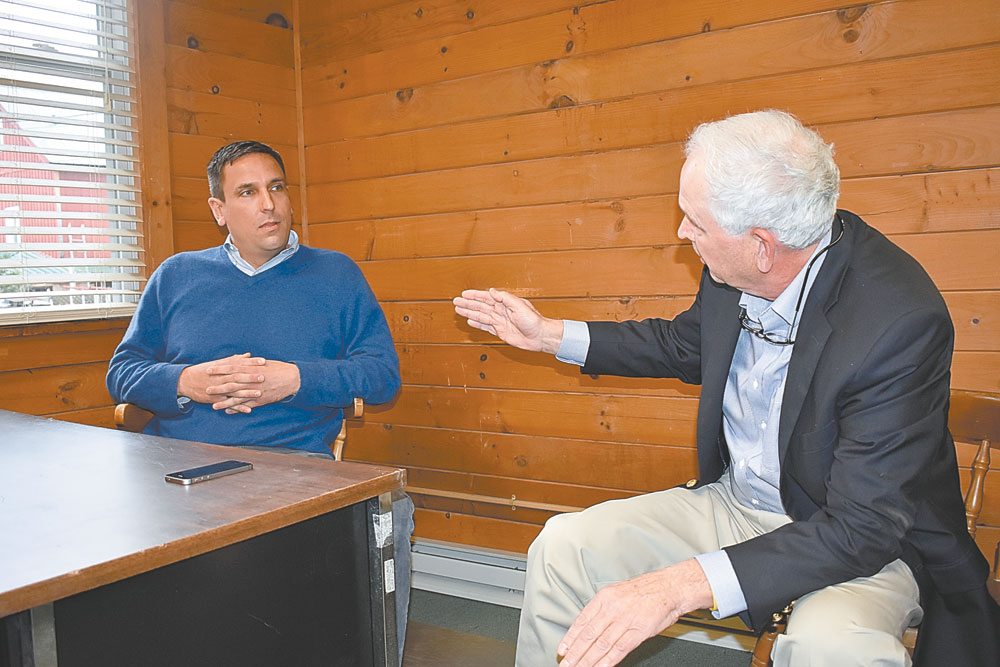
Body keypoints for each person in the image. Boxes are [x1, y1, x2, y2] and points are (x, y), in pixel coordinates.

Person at [453, 110, 998, 667]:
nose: (682, 233)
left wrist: (680, 585)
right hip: (736, 504)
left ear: (762, 245)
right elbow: (681, 345)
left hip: (859, 538)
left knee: (832, 648)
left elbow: (863, 529)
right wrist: (547, 336)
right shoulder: (733, 270)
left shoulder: (898, 322)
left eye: (695, 221)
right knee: (563, 547)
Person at [107, 140, 413, 662]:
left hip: (288, 466)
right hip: (175, 466)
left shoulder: (335, 275)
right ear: (219, 210)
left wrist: (295, 379)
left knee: (390, 516)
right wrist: (186, 382)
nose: (268, 204)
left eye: (276, 188)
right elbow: (122, 372)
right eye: (247, 192)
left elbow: (382, 376)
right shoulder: (176, 276)